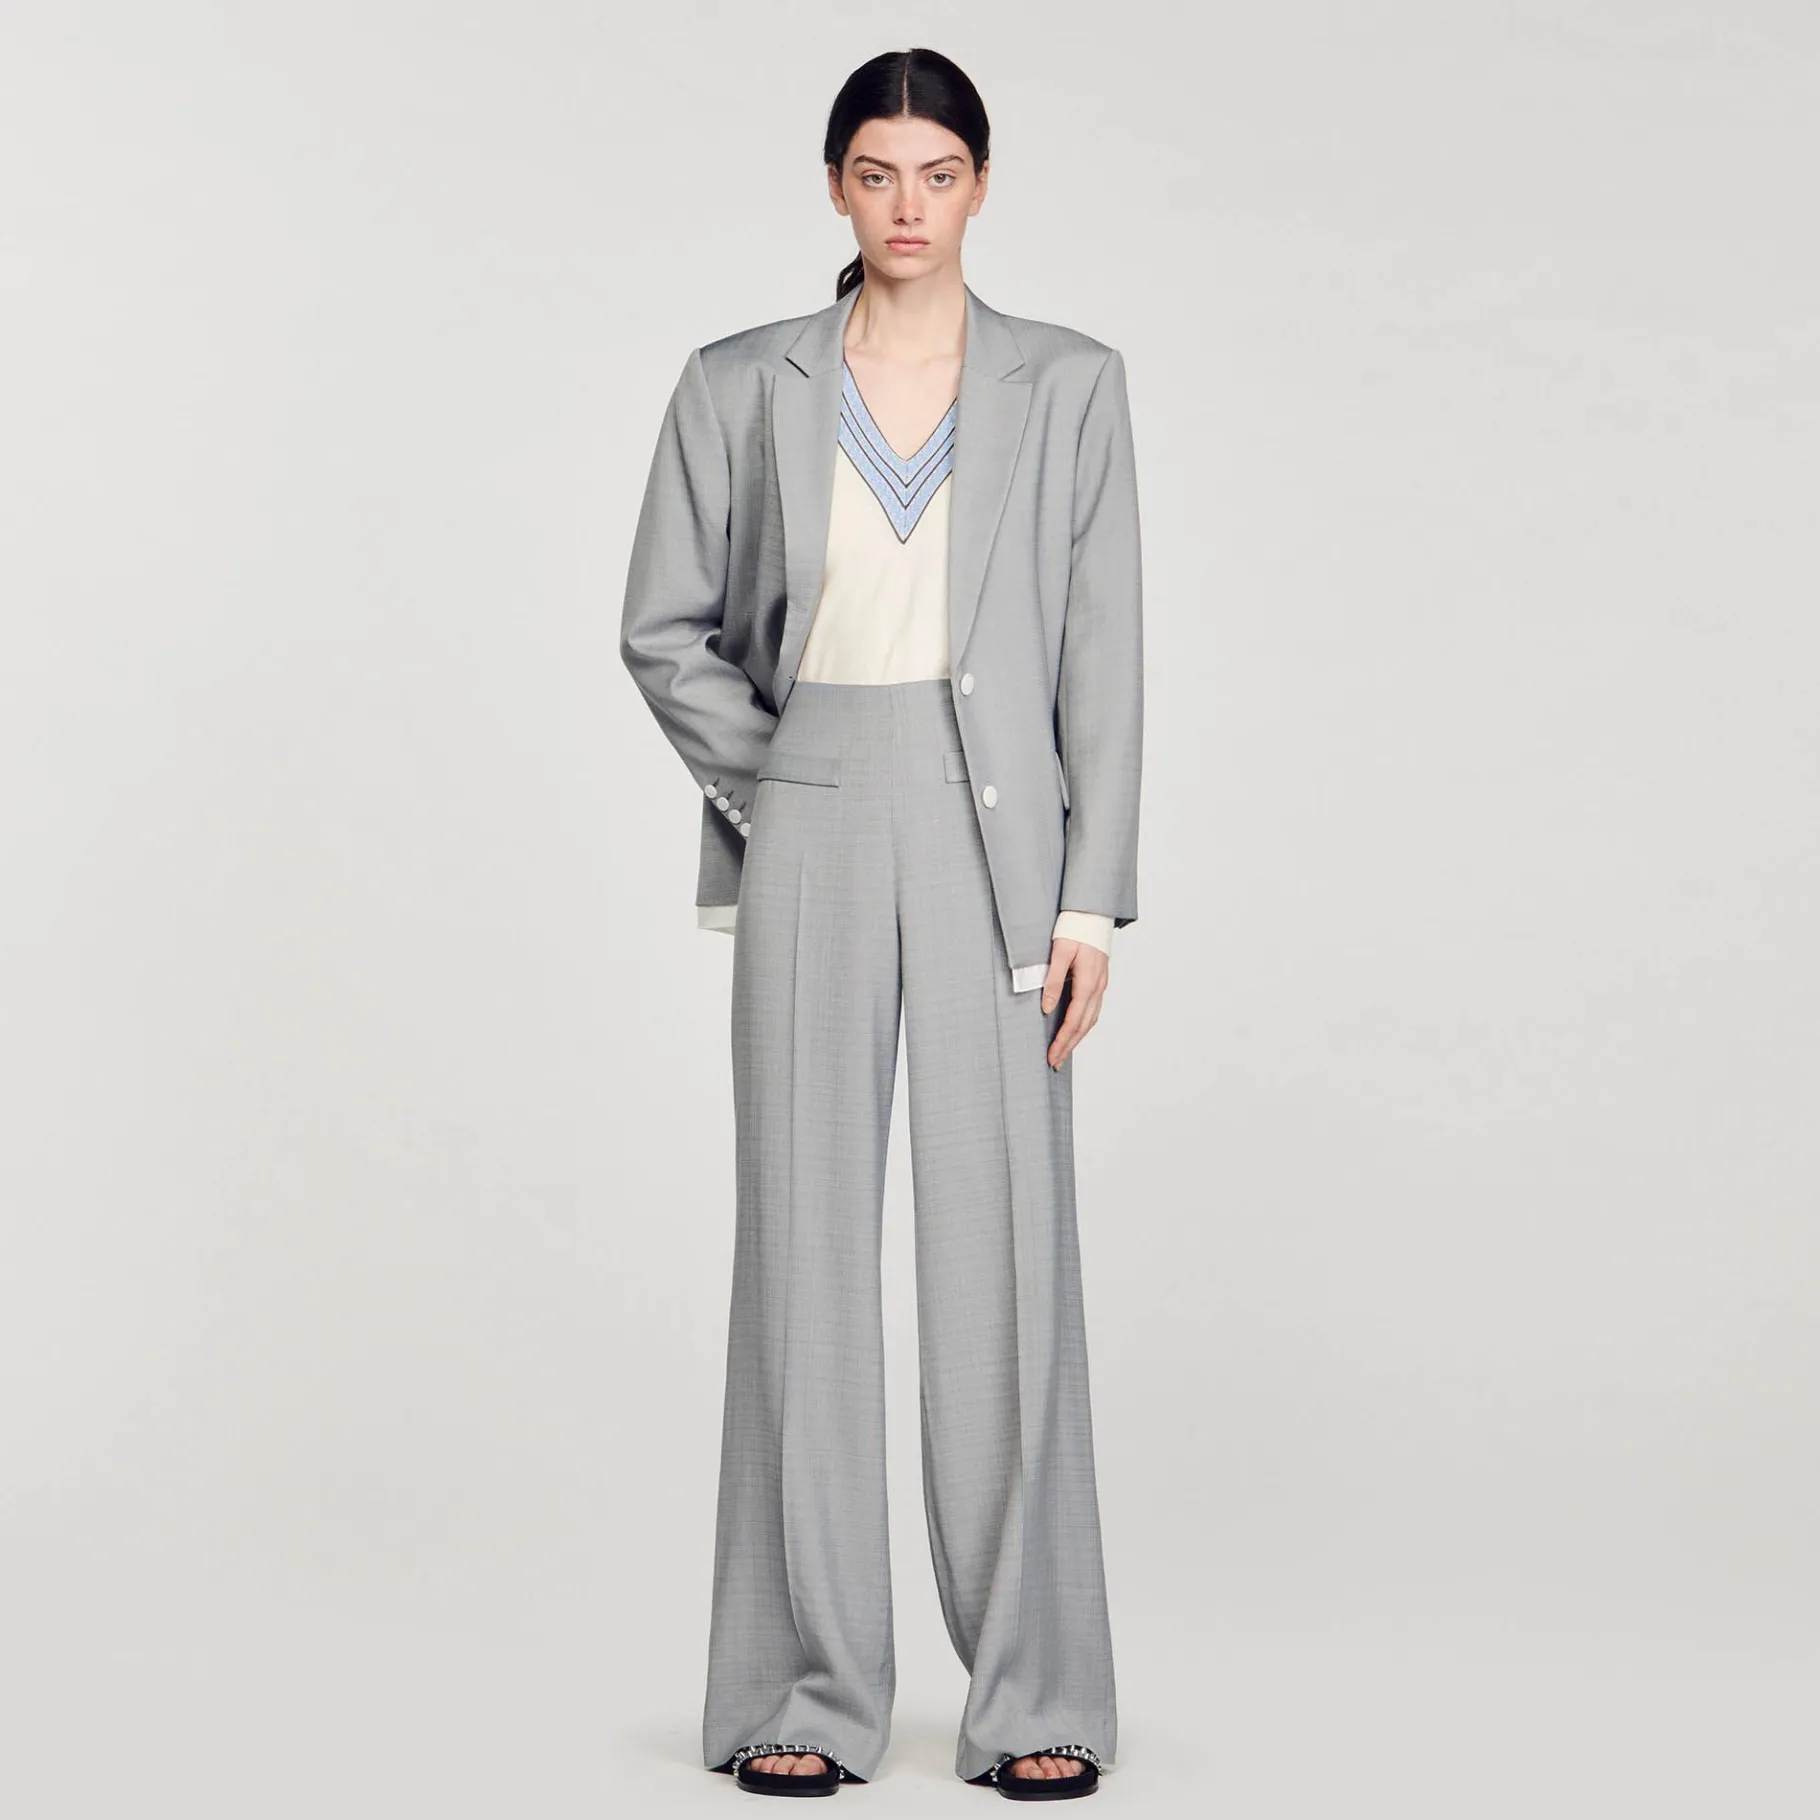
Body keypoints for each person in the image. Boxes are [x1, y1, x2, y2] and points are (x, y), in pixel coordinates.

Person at [620, 46, 1143, 1802]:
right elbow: (663, 625)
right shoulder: (738, 382)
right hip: (816, 804)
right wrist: (778, 785)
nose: (907, 205)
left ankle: (1035, 1692)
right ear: (835, 185)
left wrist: (1092, 897)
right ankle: (806, 1687)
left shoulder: (1072, 385)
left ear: (981, 185)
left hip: (1005, 839)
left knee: (1008, 1260)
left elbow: (1103, 653)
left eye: (937, 173)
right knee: (805, 1258)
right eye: (875, 172)